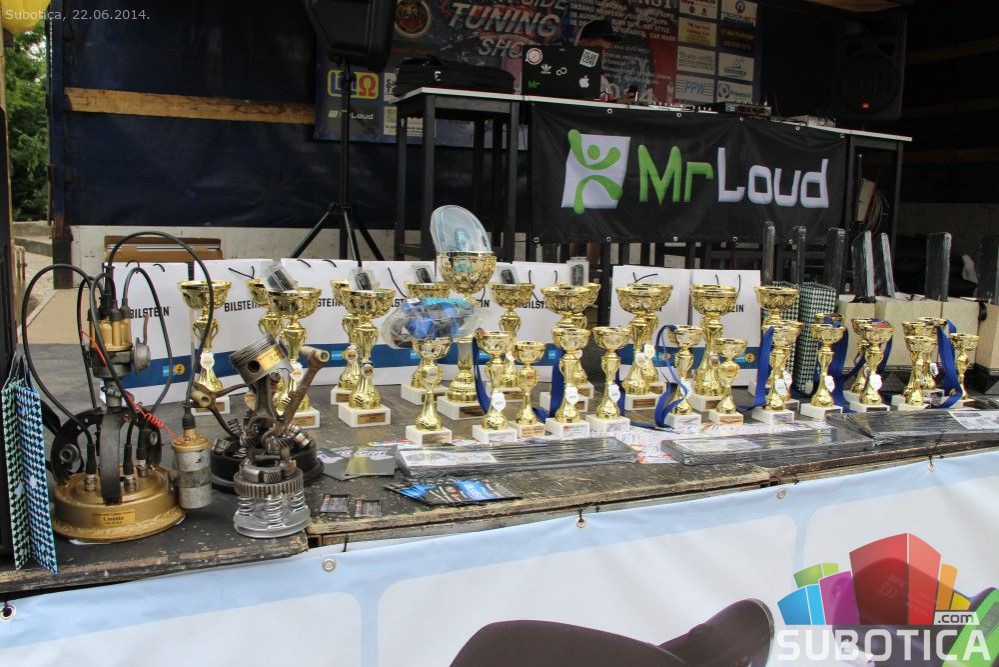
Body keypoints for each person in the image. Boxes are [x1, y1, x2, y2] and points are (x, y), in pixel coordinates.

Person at [575, 19, 635, 103]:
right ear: (583, 43)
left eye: (606, 50)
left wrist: (619, 102)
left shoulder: (603, 80)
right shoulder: (566, 72)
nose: (603, 55)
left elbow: (604, 109)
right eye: (599, 48)